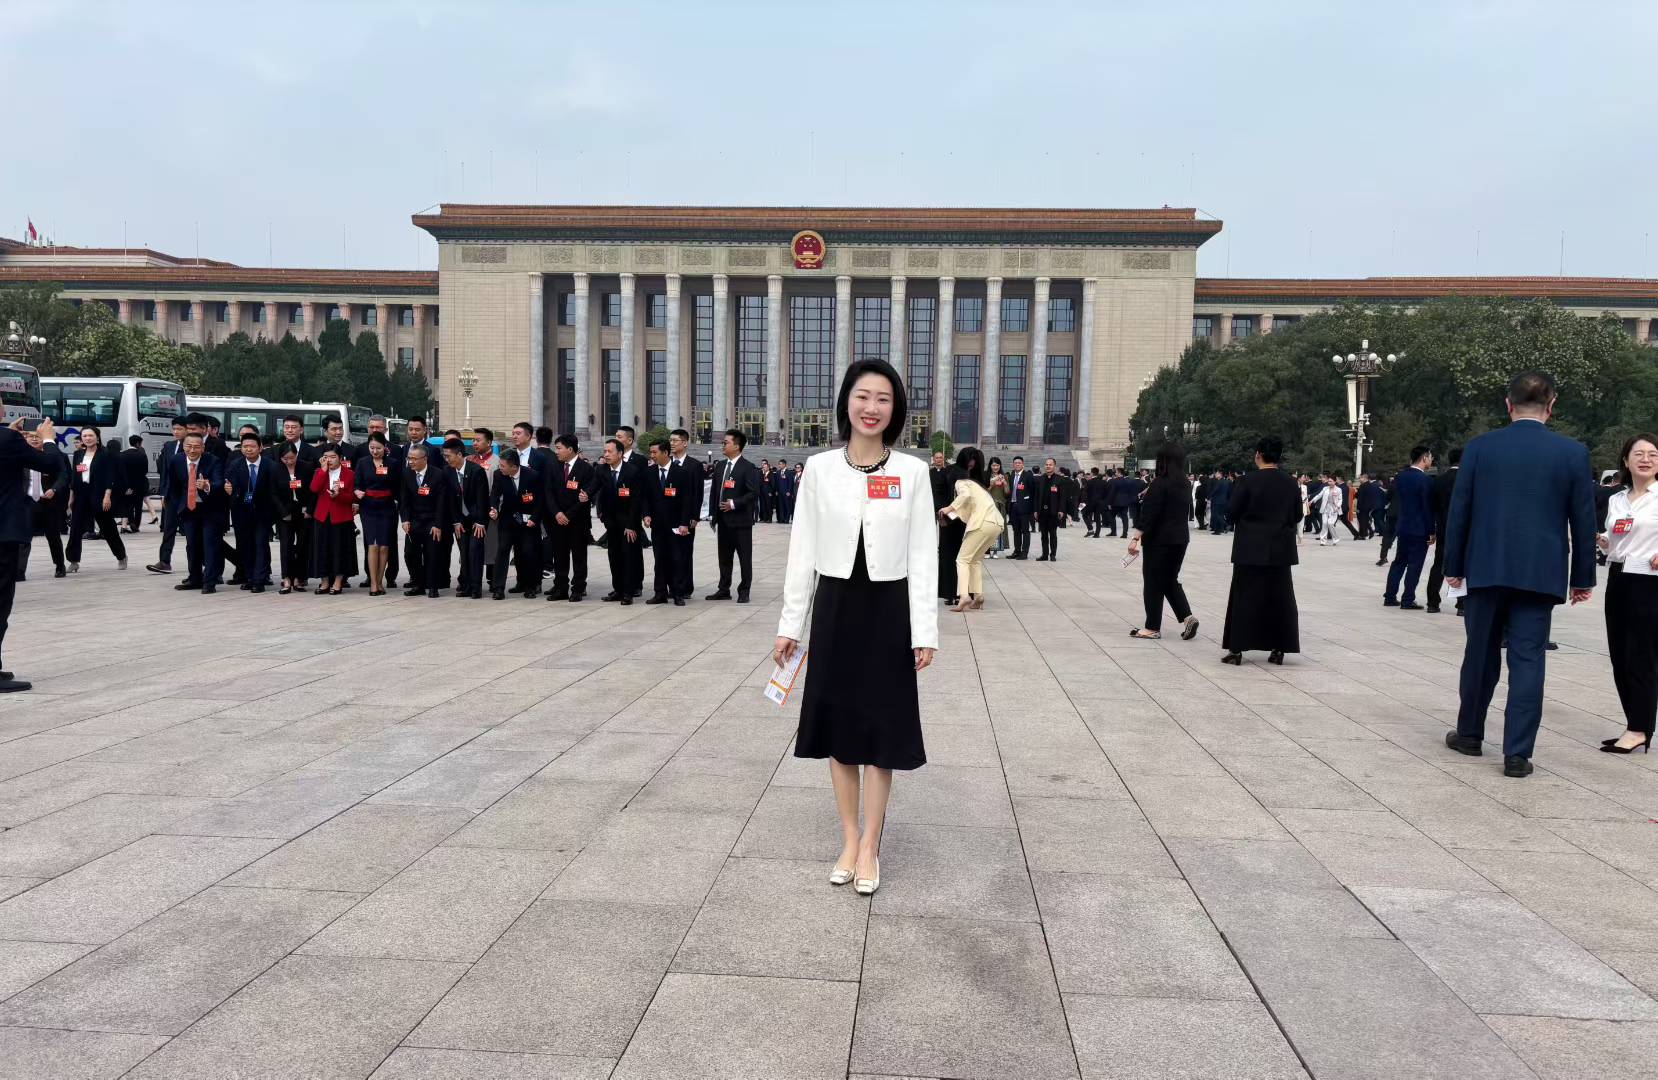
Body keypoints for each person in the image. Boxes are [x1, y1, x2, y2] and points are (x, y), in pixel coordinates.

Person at [774, 357, 937, 897]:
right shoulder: (820, 469)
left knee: (881, 731)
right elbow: (802, 550)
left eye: (883, 399)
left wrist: (924, 631)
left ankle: (871, 844)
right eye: (863, 396)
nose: (872, 408)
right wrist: (790, 623)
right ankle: (849, 839)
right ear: (847, 401)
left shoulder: (912, 472)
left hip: (889, 610)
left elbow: (925, 554)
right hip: (837, 606)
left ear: (896, 410)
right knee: (841, 731)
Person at [1443, 372, 1596, 778]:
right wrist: (1582, 577)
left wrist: (1453, 567)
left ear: (1508, 404)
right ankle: (1517, 753)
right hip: (1540, 573)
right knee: (1528, 659)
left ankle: (1470, 734)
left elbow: (1460, 511)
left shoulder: (1480, 448)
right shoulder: (1573, 453)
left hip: (1486, 566)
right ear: (1552, 404)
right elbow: (1583, 520)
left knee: (1480, 653)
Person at [1599, 434, 1658, 753]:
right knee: (1620, 655)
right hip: (1618, 578)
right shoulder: (1617, 499)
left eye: (1653, 454)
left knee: (1641, 655)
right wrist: (1605, 541)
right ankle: (1634, 723)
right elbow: (1617, 537)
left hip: (1649, 582)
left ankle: (1639, 729)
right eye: (1639, 454)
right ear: (1626, 460)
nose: (1646, 459)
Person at [1221, 437, 1302, 665]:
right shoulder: (1290, 483)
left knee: (1245, 598)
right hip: (1280, 549)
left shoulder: (1247, 481)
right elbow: (1297, 515)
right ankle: (1279, 648)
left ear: (1258, 454)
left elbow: (1231, 513)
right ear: (1279, 456)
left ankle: (1237, 649)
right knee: (1279, 599)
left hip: (1250, 547)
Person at [0, 417, 60, 689]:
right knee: (1, 602)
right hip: (3, 532)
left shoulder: (7, 438)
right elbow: (50, 464)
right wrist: (47, 438)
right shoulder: (8, 439)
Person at [1128, 442, 1199, 641]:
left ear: (1163, 460)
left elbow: (1150, 514)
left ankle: (1152, 628)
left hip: (1159, 541)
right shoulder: (1185, 483)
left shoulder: (1160, 483)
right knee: (1169, 580)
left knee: (1153, 582)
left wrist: (1135, 538)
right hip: (1180, 539)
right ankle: (1188, 618)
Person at [942, 447, 1003, 612]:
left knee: (962, 560)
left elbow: (964, 496)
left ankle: (964, 596)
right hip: (996, 523)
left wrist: (948, 508)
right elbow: (966, 509)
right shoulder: (978, 485)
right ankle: (978, 596)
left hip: (982, 523)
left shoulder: (961, 482)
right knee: (975, 560)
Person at [706, 428, 760, 602]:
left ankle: (744, 591)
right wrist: (713, 515)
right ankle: (723, 589)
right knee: (724, 558)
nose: (722, 445)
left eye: (726, 443)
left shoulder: (748, 467)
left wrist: (734, 503)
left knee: (744, 558)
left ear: (736, 446)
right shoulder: (721, 466)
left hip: (741, 522)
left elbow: (753, 493)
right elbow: (715, 492)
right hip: (723, 521)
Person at [66, 426, 127, 572]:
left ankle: (121, 556)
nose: (87, 438)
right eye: (84, 436)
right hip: (81, 494)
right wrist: (71, 497)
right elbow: (75, 477)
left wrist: (107, 496)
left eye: (90, 435)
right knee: (75, 528)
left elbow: (109, 476)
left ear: (97, 437)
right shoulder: (78, 454)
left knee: (108, 528)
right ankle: (73, 561)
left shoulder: (106, 454)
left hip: (99, 494)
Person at [169, 432, 224, 593]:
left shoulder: (213, 461)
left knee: (209, 545)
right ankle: (194, 579)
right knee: (192, 545)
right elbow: (174, 486)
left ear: (203, 447)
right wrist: (178, 506)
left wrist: (207, 486)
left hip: (210, 509)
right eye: (189, 446)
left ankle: (209, 582)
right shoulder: (176, 460)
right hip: (189, 509)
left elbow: (219, 482)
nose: (192, 450)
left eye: (196, 447)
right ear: (183, 446)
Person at [546, 434, 598, 602]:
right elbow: (548, 492)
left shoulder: (586, 469)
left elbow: (586, 496)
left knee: (579, 556)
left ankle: (578, 588)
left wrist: (567, 515)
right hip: (557, 520)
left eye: (559, 448)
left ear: (570, 449)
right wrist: (557, 513)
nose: (556, 451)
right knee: (559, 556)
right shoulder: (553, 466)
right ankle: (561, 588)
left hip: (578, 521)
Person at [1384, 446, 1436, 610]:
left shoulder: (1400, 476)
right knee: (1415, 565)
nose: (1432, 460)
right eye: (1430, 457)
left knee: (1399, 562)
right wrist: (1432, 530)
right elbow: (1427, 507)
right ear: (1424, 458)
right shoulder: (1425, 480)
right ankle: (1407, 599)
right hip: (1419, 528)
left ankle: (1390, 596)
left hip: (1403, 525)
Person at [224, 432, 275, 592]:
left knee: (260, 545)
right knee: (245, 546)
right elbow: (231, 486)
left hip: (263, 513)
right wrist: (230, 491)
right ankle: (250, 577)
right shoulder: (235, 465)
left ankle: (259, 580)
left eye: (252, 446)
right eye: (245, 446)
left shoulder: (270, 465)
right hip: (242, 513)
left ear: (260, 447)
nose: (248, 449)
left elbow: (273, 490)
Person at [489, 447, 542, 600]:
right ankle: (498, 588)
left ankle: (529, 586)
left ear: (514, 466)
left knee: (527, 552)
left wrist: (535, 518)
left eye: (503, 465)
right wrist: (493, 508)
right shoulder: (499, 475)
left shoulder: (532, 475)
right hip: (507, 520)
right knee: (502, 552)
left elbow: (540, 501)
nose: (500, 468)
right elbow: (494, 494)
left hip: (528, 521)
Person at [353, 433, 400, 596]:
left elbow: (397, 486)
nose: (374, 451)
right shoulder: (362, 462)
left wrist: (396, 500)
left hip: (387, 507)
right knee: (372, 544)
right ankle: (373, 583)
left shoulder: (392, 463)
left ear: (385, 447)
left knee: (384, 546)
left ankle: (380, 581)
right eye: (371, 448)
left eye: (378, 448)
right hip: (368, 507)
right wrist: (357, 493)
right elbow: (357, 483)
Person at [400, 444, 450, 598]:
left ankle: (433, 586)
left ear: (425, 459)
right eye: (409, 458)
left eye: (414, 459)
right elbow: (404, 499)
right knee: (410, 553)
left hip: (431, 520)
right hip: (414, 520)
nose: (411, 462)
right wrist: (405, 519)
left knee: (432, 554)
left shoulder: (438, 474)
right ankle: (418, 584)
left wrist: (438, 525)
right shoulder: (406, 473)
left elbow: (442, 502)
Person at [443, 439, 489, 599]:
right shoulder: (447, 472)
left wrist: (481, 521)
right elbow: (449, 499)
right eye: (445, 456)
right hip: (460, 521)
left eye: (449, 456)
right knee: (464, 553)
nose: (447, 459)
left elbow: (482, 499)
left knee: (474, 552)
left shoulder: (476, 471)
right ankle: (466, 585)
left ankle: (476, 587)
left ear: (459, 454)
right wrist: (456, 521)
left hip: (477, 520)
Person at [598, 438, 642, 604]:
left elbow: (636, 501)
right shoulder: (602, 470)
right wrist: (586, 495)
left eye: (610, 451)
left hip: (628, 524)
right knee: (614, 557)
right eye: (605, 451)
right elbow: (596, 488)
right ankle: (618, 590)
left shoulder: (632, 471)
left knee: (628, 558)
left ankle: (628, 593)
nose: (606, 454)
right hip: (611, 523)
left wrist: (631, 525)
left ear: (620, 453)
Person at [21, 424, 68, 580]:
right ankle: (19, 571)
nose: (34, 439)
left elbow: (63, 476)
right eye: (31, 436)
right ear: (26, 438)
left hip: (49, 503)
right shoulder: (20, 456)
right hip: (27, 503)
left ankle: (60, 566)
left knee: (53, 537)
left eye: (38, 436)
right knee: (23, 538)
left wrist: (54, 489)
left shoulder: (53, 456)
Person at [308, 446, 356, 595]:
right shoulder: (319, 471)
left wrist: (339, 495)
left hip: (342, 516)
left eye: (333, 457)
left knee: (340, 549)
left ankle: (338, 581)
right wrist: (323, 470)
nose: (329, 460)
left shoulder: (349, 474)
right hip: (322, 515)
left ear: (340, 458)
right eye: (326, 457)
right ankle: (324, 581)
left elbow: (352, 497)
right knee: (322, 549)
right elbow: (314, 488)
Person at [270, 441, 314, 594]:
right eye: (285, 459)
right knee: (286, 546)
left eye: (292, 458)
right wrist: (283, 513)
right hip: (285, 512)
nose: (289, 461)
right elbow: (273, 494)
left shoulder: (306, 467)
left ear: (296, 455)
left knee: (302, 546)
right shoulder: (275, 469)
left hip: (303, 511)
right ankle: (287, 578)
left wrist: (309, 510)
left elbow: (312, 490)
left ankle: (299, 578)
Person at [146, 418, 188, 574]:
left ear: (187, 429)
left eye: (179, 429)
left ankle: (205, 564)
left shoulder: (192, 446)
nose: (176, 432)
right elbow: (164, 471)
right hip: (171, 495)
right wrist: (163, 493)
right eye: (174, 429)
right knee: (168, 529)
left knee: (192, 531)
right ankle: (164, 561)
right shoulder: (169, 446)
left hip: (189, 494)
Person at [666, 429, 703, 601]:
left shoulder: (694, 465)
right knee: (669, 553)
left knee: (684, 553)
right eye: (670, 440)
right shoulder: (667, 463)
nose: (672, 443)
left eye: (675, 440)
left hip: (686, 518)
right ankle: (671, 586)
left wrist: (694, 517)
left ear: (685, 443)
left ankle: (686, 587)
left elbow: (697, 493)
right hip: (668, 517)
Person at [643, 438, 680, 604]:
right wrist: (646, 514)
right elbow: (645, 497)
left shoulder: (680, 472)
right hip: (657, 524)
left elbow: (686, 499)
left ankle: (677, 593)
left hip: (676, 525)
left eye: (654, 452)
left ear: (665, 453)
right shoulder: (649, 472)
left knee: (676, 559)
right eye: (650, 452)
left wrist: (685, 522)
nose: (652, 455)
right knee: (659, 560)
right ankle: (660, 593)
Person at [1426, 447, 1463, 614]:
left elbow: (1432, 507)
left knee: (1439, 564)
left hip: (1443, 527)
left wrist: (1432, 530)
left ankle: (1432, 602)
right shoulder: (1467, 479)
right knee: (1462, 565)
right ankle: (1462, 604)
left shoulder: (1439, 480)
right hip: (1463, 529)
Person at [929, 450, 964, 601]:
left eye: (941, 457)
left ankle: (941, 547)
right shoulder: (929, 473)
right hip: (931, 505)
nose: (938, 459)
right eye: (936, 457)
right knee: (929, 530)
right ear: (933, 459)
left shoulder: (947, 472)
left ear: (943, 459)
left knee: (945, 531)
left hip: (944, 508)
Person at [1035, 457, 1071, 560]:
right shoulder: (1040, 479)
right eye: (1046, 464)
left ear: (1054, 466)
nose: (1048, 466)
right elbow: (1036, 496)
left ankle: (1053, 554)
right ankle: (1044, 554)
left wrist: (1061, 510)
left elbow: (1063, 497)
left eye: (1050, 465)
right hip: (1042, 511)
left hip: (1053, 512)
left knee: (1053, 534)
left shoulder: (1060, 479)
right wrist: (1036, 510)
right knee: (1043, 535)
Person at [1006, 455, 1037, 559]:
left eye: (1019, 463)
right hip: (1013, 506)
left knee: (1025, 530)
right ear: (1013, 464)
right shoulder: (1011, 476)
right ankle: (1017, 551)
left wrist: (1032, 508)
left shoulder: (1028, 475)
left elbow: (1033, 492)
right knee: (1016, 530)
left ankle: (1024, 552)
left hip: (1024, 508)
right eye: (1015, 463)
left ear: (1023, 464)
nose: (1017, 464)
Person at [118, 435, 148, 533]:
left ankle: (131, 522)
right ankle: (136, 524)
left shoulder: (123, 454)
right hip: (140, 484)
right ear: (138, 443)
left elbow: (121, 471)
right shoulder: (142, 455)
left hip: (127, 484)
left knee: (128, 504)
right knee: (138, 505)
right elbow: (145, 470)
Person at [986, 457, 1010, 558]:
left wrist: (1005, 484)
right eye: (993, 465)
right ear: (990, 466)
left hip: (1000, 506)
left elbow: (1007, 493)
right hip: (989, 506)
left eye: (997, 465)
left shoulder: (1004, 476)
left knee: (997, 529)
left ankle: (995, 551)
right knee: (988, 529)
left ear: (1000, 466)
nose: (995, 467)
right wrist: (991, 484)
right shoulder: (986, 476)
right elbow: (984, 491)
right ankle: (987, 551)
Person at [1110, 466, 1143, 539]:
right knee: (1125, 518)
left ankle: (1113, 532)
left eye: (1116, 472)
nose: (1115, 473)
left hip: (1116, 502)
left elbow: (1112, 493)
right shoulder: (1129, 481)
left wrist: (1109, 502)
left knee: (1112, 516)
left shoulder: (1114, 481)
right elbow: (1131, 492)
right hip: (1125, 502)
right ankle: (1125, 533)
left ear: (1119, 473)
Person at [1316, 471, 1343, 545]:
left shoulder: (1339, 490)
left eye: (1331, 481)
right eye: (1329, 481)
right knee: (1324, 523)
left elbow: (1340, 499)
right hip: (1325, 508)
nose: (1329, 483)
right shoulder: (1325, 488)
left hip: (1334, 509)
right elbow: (1319, 495)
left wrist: (1338, 506)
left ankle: (1336, 538)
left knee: (1330, 524)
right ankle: (1323, 541)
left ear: (1335, 481)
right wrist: (1312, 501)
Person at [1355, 472, 1384, 540]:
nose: (1359, 479)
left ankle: (1363, 535)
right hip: (1368, 505)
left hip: (1363, 506)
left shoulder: (1363, 485)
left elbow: (1360, 497)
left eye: (1360, 478)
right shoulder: (1369, 485)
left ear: (1364, 478)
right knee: (1364, 520)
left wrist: (1358, 507)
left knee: (1362, 520)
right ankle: (1370, 531)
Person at [1208, 467, 1232, 534]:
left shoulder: (1219, 482)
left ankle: (1225, 525)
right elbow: (1229, 492)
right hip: (1224, 501)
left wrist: (1208, 497)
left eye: (1217, 473)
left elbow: (1214, 490)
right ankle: (1220, 530)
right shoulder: (1228, 482)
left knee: (1216, 515)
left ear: (1220, 474)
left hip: (1217, 501)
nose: (1215, 474)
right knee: (1221, 515)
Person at [774, 457, 796, 525]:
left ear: (784, 464)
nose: (779, 465)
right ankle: (781, 519)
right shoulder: (778, 472)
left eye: (780, 464)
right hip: (779, 492)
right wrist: (776, 490)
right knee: (780, 506)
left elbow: (790, 483)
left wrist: (789, 491)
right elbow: (776, 483)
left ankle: (786, 519)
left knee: (787, 506)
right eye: (779, 464)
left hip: (786, 492)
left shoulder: (789, 472)